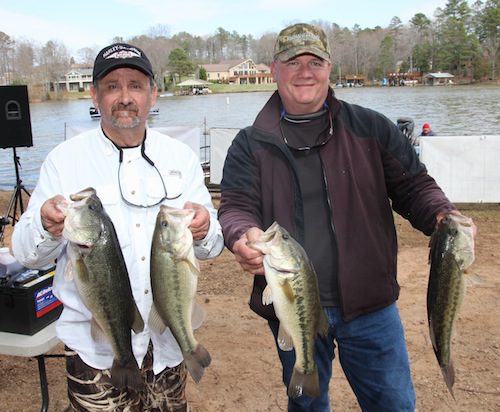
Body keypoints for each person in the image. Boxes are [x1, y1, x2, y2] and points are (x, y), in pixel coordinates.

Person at [218, 23, 475, 412]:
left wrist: (443, 214)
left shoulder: (370, 127)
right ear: (274, 69)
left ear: (329, 67)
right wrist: (241, 235)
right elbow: (235, 206)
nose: (305, 71)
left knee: (393, 404)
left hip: (371, 305)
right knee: (307, 404)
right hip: (294, 301)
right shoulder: (250, 143)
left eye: (315, 61)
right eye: (293, 62)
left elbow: (415, 186)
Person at [12, 42, 224, 412]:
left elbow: (213, 246)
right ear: (94, 95)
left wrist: (206, 230)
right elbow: (26, 254)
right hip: (96, 354)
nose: (124, 97)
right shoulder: (64, 160)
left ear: (153, 94)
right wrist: (46, 225)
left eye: (136, 85)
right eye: (112, 86)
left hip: (169, 348)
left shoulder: (181, 158)